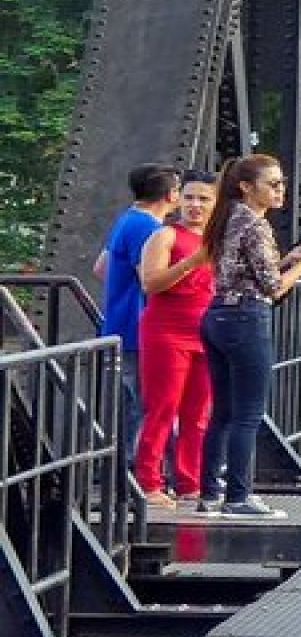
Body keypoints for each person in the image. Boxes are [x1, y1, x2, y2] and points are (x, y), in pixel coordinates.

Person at [196, 155, 301, 517]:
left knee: (223, 411)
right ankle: (238, 498)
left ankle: (209, 492)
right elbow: (272, 289)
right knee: (248, 413)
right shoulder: (255, 224)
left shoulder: (227, 217)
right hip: (246, 317)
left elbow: (251, 271)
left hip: (217, 314)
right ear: (246, 187)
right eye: (273, 184)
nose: (280, 190)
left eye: (282, 183)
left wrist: (292, 257)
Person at [133, 171, 218, 508]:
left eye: (204, 199)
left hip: (207, 333)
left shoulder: (217, 239)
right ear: (178, 198)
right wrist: (192, 262)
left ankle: (189, 481)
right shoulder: (166, 235)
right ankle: (148, 482)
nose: (195, 205)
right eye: (189, 197)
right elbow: (150, 283)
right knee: (162, 408)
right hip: (166, 332)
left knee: (199, 413)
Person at [95, 163, 181, 462]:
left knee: (136, 400)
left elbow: (101, 268)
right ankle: (146, 468)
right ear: (171, 195)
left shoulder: (127, 220)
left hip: (120, 321)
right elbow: (150, 279)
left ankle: (129, 466)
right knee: (155, 401)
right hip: (142, 326)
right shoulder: (151, 229)